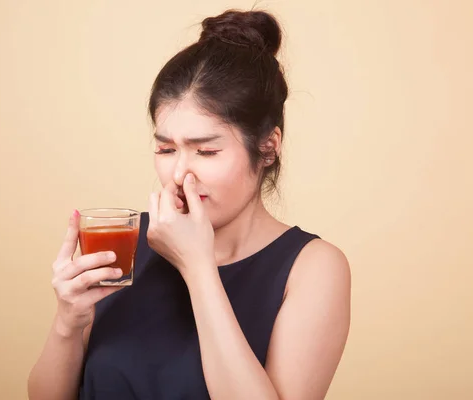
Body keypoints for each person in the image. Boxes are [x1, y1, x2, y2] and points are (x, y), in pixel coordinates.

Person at [28, 8, 351, 400]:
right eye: (165, 149)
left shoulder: (314, 267)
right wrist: (68, 321)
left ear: (267, 146)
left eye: (207, 151)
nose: (180, 175)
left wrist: (198, 268)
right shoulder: (130, 242)